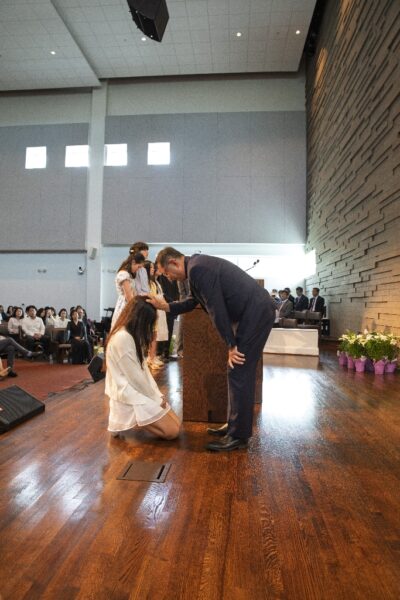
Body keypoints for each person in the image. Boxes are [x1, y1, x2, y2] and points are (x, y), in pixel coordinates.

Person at [148, 247, 276, 452]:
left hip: (256, 312)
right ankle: (235, 425)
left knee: (239, 369)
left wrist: (231, 345)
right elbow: (193, 302)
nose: (169, 278)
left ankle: (238, 435)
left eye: (167, 274)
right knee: (237, 370)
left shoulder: (198, 269)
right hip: (253, 312)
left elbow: (217, 308)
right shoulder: (195, 267)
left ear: (173, 263)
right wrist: (166, 307)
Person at [105, 296, 180, 440]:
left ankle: (143, 419)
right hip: (130, 393)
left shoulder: (130, 335)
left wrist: (158, 395)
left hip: (137, 390)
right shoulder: (122, 337)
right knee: (172, 432)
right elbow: (135, 378)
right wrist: (155, 399)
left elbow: (143, 370)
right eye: (149, 323)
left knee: (176, 424)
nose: (150, 328)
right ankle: (138, 419)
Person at [143, 261, 168, 369]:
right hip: (147, 311)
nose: (153, 269)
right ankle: (147, 358)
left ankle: (152, 358)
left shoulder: (153, 283)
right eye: (151, 268)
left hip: (154, 310)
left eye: (153, 267)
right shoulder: (144, 283)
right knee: (148, 336)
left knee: (154, 335)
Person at [111, 253, 146, 330]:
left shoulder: (129, 275)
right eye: (139, 267)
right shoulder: (124, 274)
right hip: (125, 305)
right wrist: (137, 309)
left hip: (130, 303)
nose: (139, 269)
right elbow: (128, 296)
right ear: (133, 262)